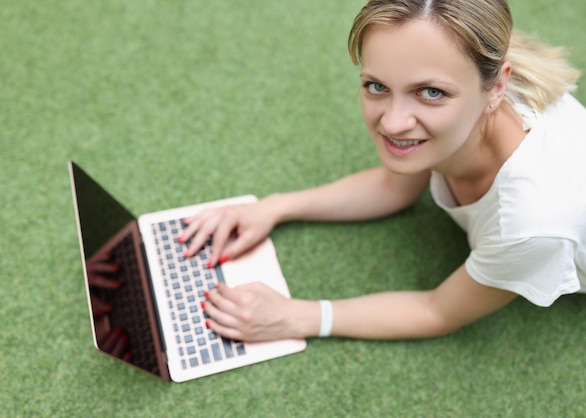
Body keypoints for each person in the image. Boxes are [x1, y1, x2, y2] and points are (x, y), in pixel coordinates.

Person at [180, 0, 585, 342]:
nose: (392, 123)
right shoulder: (468, 83)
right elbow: (397, 187)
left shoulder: (531, 224)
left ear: (497, 87)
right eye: (377, 86)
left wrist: (299, 316)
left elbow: (437, 311)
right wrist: (272, 208)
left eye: (431, 93)